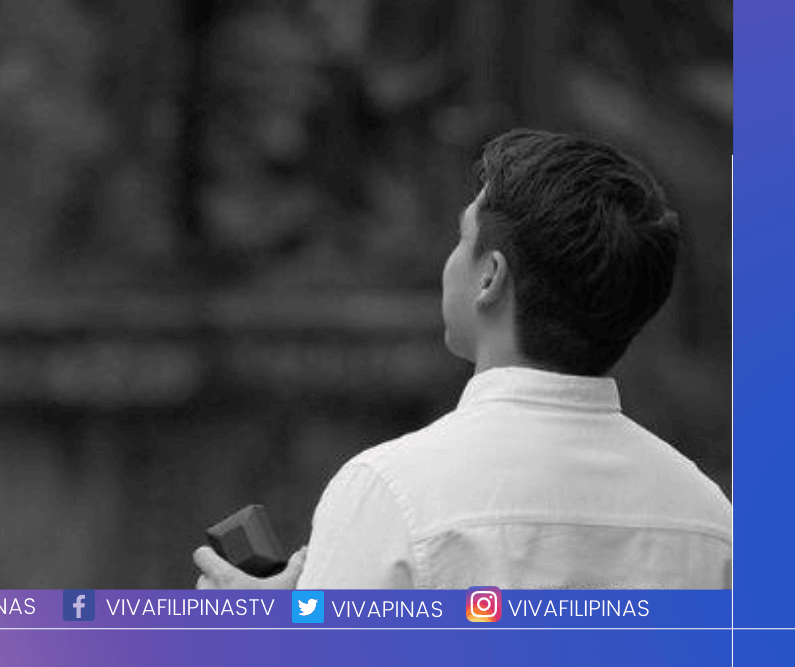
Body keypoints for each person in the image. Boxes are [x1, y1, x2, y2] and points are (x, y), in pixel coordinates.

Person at [193, 129, 731, 590]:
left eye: (461, 237)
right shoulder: (710, 522)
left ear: (490, 276)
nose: (449, 261)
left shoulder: (392, 492)